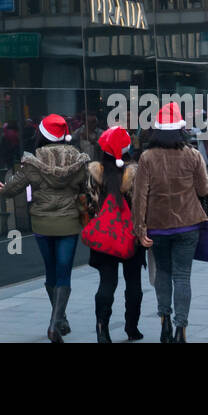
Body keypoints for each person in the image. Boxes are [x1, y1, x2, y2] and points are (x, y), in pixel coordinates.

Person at [0, 113, 89, 343]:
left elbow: (12, 188)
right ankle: (56, 321)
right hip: (68, 223)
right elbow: (87, 188)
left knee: (51, 271)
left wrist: (3, 189)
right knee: (64, 272)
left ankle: (58, 318)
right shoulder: (78, 160)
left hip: (42, 223)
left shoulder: (33, 161)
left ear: (42, 134)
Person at [132, 102, 208, 343]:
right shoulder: (193, 154)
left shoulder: (146, 157)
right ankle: (180, 329)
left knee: (162, 274)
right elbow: (204, 189)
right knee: (182, 276)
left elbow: (139, 196)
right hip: (188, 224)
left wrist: (139, 228)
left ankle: (164, 323)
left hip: (157, 226)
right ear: (180, 129)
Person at [85, 126, 143, 343]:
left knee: (107, 282)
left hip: (105, 237)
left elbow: (89, 206)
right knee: (134, 282)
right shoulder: (135, 173)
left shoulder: (93, 173)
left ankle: (102, 328)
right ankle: (132, 328)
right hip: (132, 236)